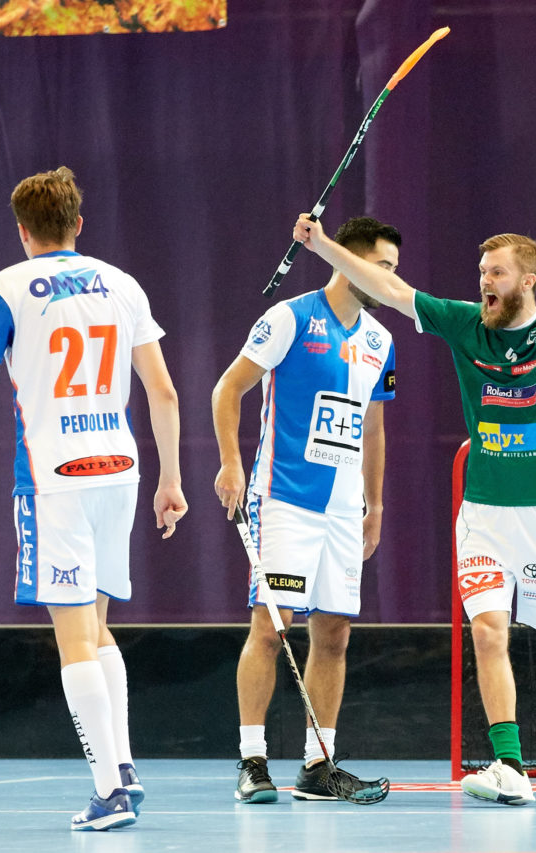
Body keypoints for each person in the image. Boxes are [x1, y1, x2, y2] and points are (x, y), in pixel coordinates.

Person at [292, 199, 536, 805]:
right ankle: (510, 767)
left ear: (527, 280)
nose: (484, 283)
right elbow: (388, 289)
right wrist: (324, 249)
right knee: (488, 633)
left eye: (495, 273)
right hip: (483, 518)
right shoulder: (464, 323)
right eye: (481, 274)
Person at [0, 167, 187, 830]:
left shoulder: (2, 289)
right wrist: (171, 478)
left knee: (73, 641)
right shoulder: (123, 284)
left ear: (22, 231)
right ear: (79, 224)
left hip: (53, 479)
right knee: (96, 629)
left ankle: (110, 791)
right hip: (118, 471)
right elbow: (165, 391)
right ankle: (121, 766)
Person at [212, 216, 401, 804]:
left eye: (392, 269)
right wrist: (230, 464)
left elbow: (373, 425)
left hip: (343, 515)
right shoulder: (289, 318)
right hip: (285, 502)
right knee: (271, 629)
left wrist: (374, 504)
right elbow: (228, 389)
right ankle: (252, 762)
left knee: (336, 634)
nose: (388, 277)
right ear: (346, 259)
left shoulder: (379, 341)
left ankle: (318, 769)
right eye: (382, 265)